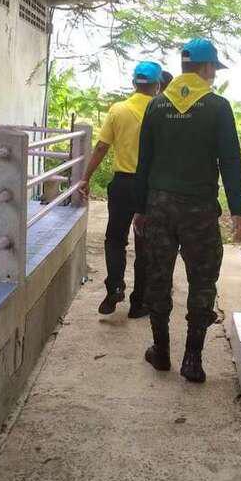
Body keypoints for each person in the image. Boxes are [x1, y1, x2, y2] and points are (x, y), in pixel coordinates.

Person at [134, 39, 241, 383]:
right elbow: (230, 161)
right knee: (202, 281)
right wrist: (237, 210)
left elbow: (143, 162)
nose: (215, 74)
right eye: (214, 69)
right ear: (207, 67)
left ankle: (161, 352)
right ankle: (193, 360)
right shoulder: (218, 107)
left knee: (158, 277)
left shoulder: (156, 106)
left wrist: (140, 209)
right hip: (199, 210)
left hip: (159, 207)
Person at [80, 61, 162, 318]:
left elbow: (101, 147)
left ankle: (115, 286)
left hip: (122, 185)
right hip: (150, 187)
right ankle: (139, 304)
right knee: (145, 245)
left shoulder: (119, 110)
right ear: (158, 85)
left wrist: (85, 178)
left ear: (133, 83)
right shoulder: (161, 112)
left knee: (115, 239)